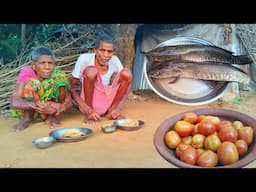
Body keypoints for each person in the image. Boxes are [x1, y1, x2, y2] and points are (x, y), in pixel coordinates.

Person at [69, 32, 133, 123]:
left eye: (109, 51)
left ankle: (111, 111)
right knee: (91, 71)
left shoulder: (115, 60)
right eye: (102, 50)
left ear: (113, 52)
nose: (106, 55)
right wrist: (87, 109)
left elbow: (128, 83)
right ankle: (91, 114)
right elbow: (70, 86)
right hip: (89, 103)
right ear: (95, 50)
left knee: (127, 73)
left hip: (107, 101)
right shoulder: (84, 59)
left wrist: (117, 108)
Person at [10, 46, 72, 132]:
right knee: (32, 83)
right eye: (42, 63)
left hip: (51, 111)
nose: (47, 67)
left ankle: (52, 117)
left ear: (55, 64)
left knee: (60, 81)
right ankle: (27, 118)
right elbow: (14, 102)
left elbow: (69, 102)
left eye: (50, 63)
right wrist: (38, 105)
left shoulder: (58, 75)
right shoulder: (27, 73)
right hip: (30, 109)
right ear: (34, 65)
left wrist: (58, 108)